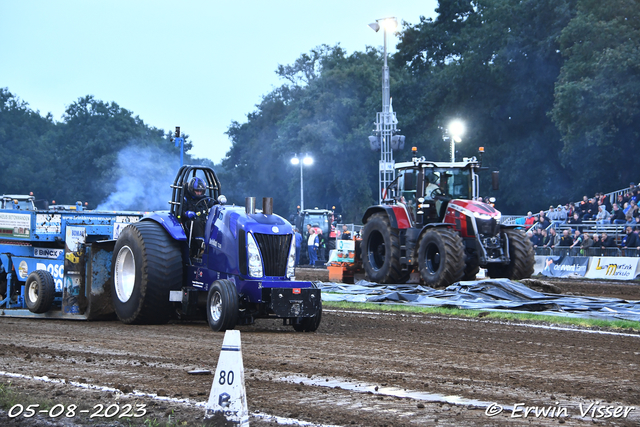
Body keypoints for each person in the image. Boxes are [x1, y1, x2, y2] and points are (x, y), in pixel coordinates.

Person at [183, 176, 214, 257]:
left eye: (201, 191)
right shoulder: (185, 199)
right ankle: (202, 247)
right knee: (197, 222)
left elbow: (214, 205)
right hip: (190, 222)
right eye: (197, 191)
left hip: (204, 220)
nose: (199, 193)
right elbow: (180, 213)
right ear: (191, 189)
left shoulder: (206, 200)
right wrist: (186, 213)